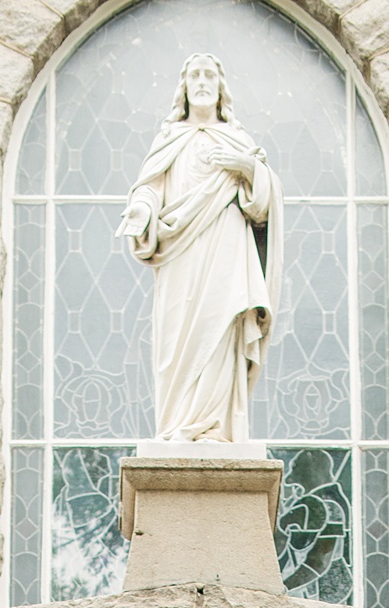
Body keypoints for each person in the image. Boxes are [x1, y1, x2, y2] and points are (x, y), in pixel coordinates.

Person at [122, 53, 279, 443]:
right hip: (179, 254)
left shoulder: (239, 140)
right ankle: (177, 424)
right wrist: (141, 210)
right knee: (177, 337)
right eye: (195, 74)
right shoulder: (169, 139)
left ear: (221, 86)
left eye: (210, 74)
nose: (203, 81)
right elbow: (150, 188)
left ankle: (214, 427)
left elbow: (261, 208)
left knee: (220, 327)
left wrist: (247, 167)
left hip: (226, 245)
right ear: (185, 86)